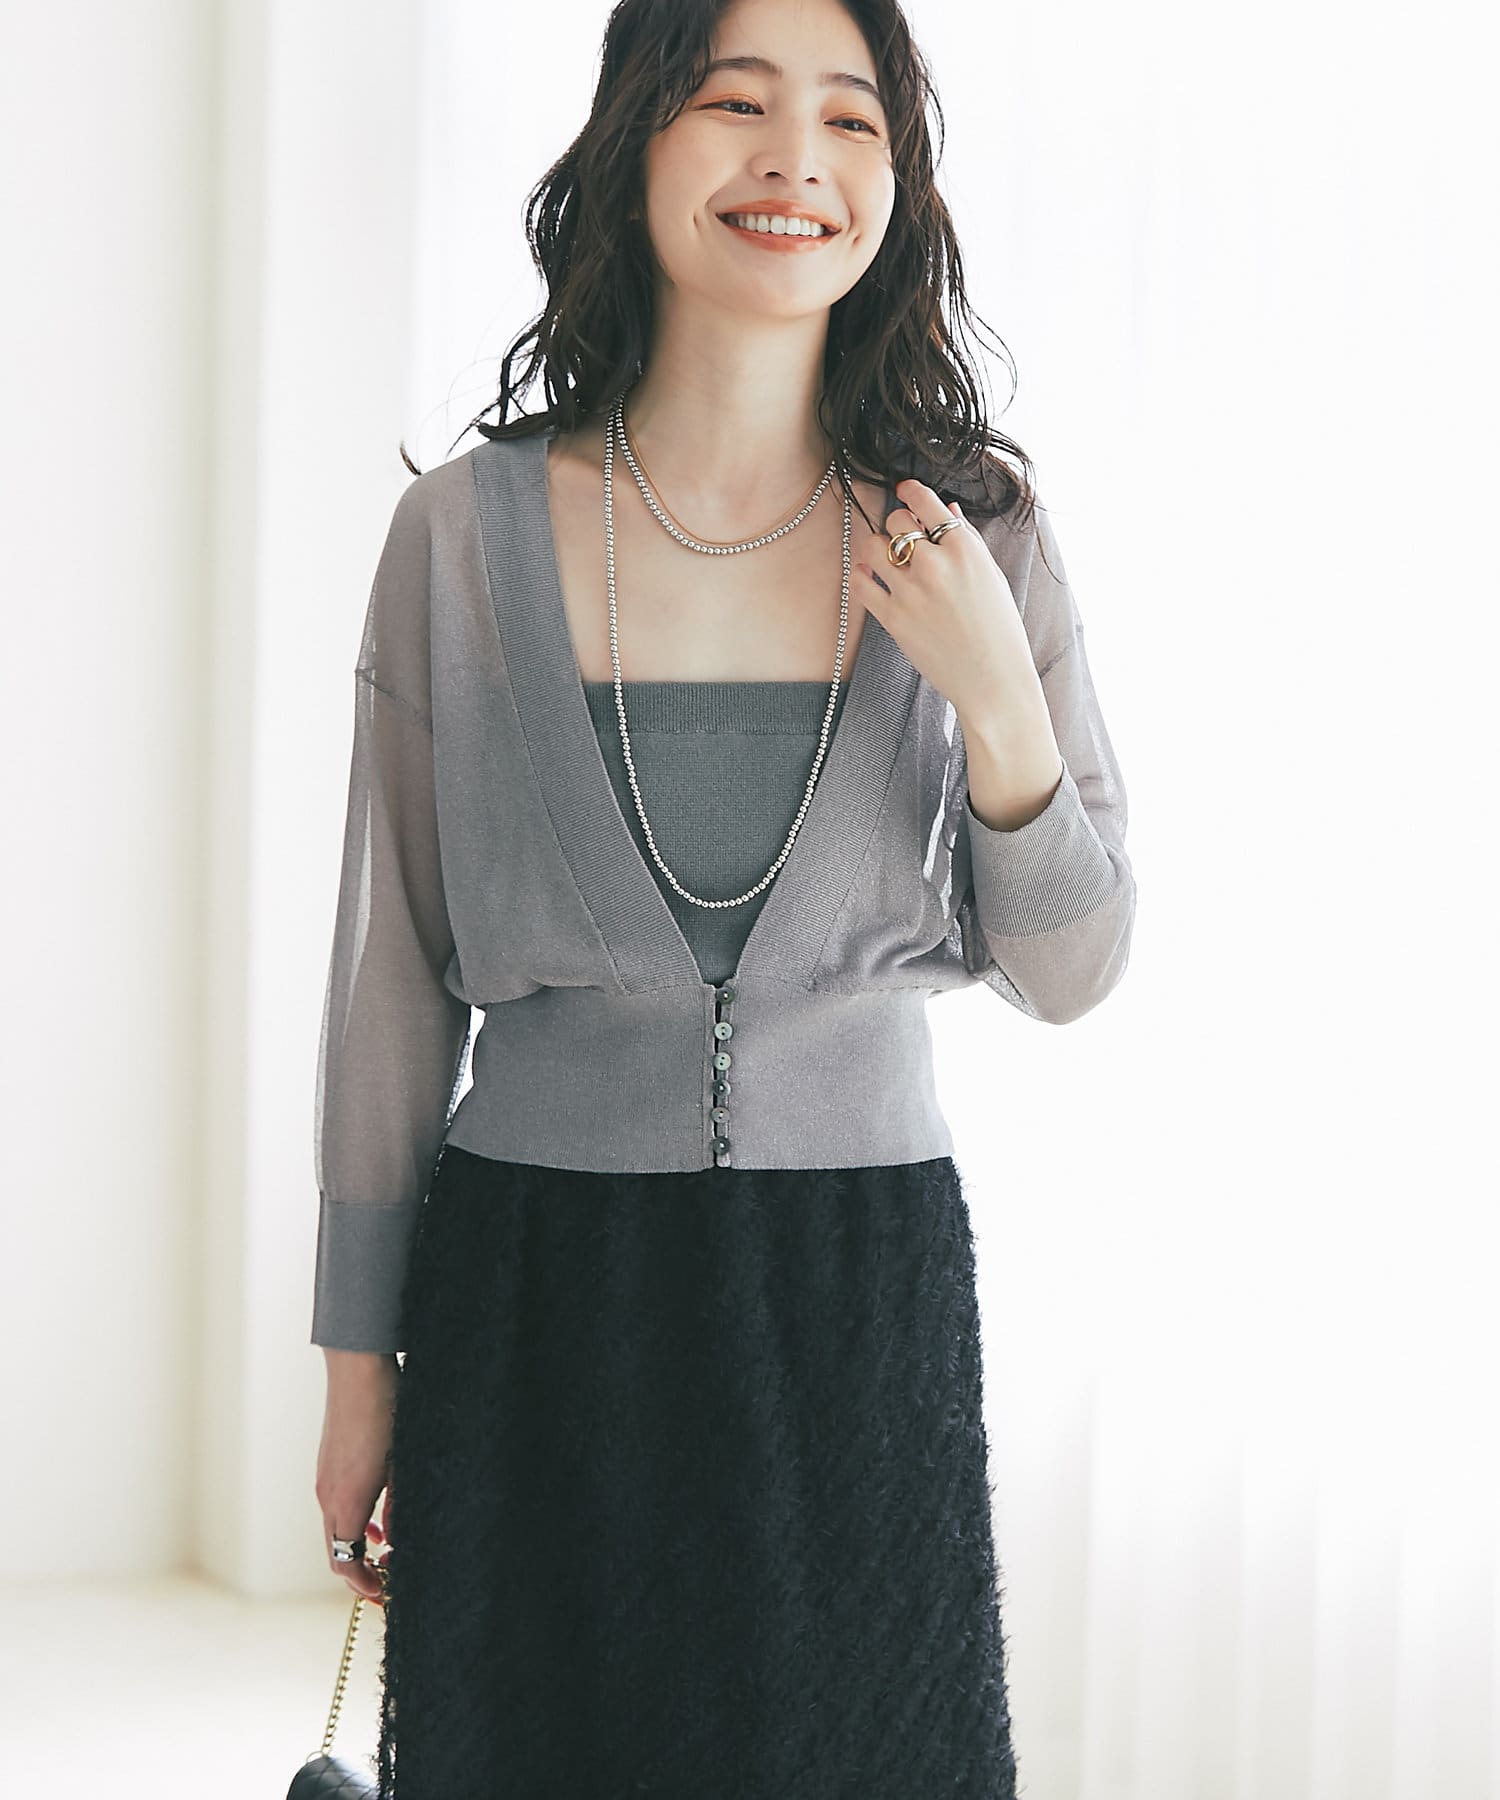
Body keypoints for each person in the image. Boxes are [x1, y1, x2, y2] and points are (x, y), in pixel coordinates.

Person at [312, 0, 1136, 1792]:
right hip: (536, 1294)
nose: (795, 162)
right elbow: (388, 985)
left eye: (850, 119)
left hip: (855, 1307)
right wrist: (358, 1362)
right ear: (637, 144)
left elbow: (1074, 966)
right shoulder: (460, 540)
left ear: (898, 181)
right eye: (735, 103)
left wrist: (1000, 707)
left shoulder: (975, 536)